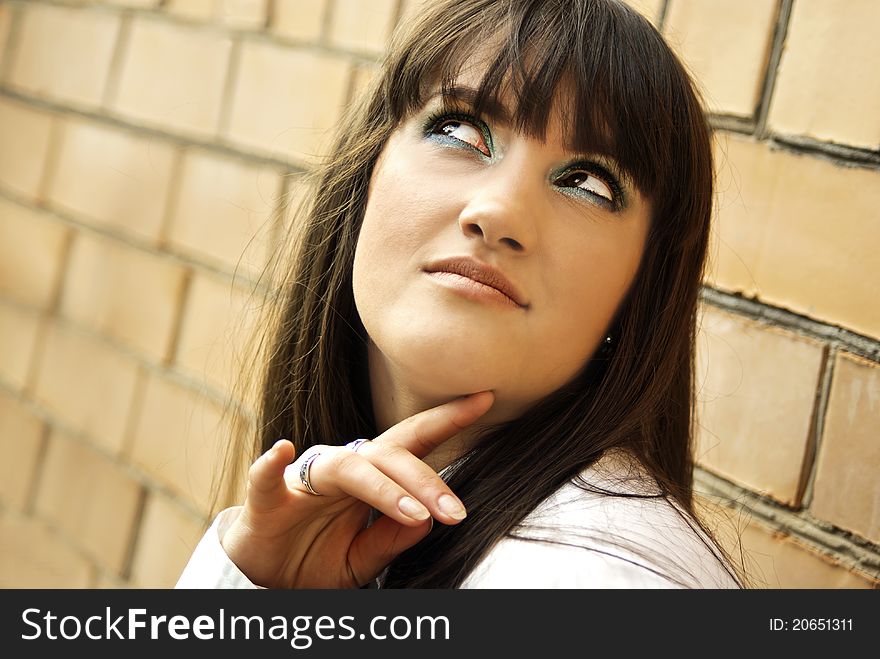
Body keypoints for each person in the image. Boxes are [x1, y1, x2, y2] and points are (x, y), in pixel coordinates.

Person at [176, 0, 746, 589]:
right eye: (461, 131)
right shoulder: (307, 538)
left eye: (587, 183)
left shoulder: (590, 580)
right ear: (365, 174)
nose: (498, 213)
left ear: (641, 285)